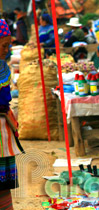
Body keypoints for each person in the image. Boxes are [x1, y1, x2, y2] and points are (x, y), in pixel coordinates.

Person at [0, 19, 24, 210]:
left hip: (3, 134)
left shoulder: (3, 68)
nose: (6, 50)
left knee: (3, 184)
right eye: (3, 45)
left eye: (8, 45)